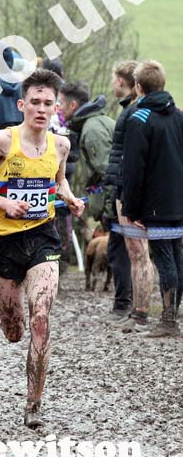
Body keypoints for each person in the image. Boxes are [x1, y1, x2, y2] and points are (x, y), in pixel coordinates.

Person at [0, 69, 84, 428]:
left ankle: (34, 405)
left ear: (56, 108)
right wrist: (2, 203)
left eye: (48, 104)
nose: (41, 110)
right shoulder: (2, 141)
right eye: (35, 103)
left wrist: (72, 199)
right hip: (2, 240)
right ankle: (2, 307)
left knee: (41, 318)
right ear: (22, 105)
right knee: (15, 332)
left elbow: (57, 183)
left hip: (42, 236)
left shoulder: (61, 144)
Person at [120, 60, 183, 338]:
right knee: (177, 257)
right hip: (178, 200)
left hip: (156, 204)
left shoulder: (139, 118)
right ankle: (173, 316)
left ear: (138, 87)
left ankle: (168, 321)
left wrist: (132, 209)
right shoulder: (179, 116)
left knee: (165, 259)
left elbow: (134, 169)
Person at [102, 61, 139, 321]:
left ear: (122, 82)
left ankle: (123, 304)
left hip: (125, 191)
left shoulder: (130, 113)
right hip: (128, 188)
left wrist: (115, 195)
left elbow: (122, 158)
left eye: (115, 78)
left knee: (121, 249)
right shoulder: (132, 109)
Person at [59, 82, 114, 228]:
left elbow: (108, 174)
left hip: (115, 213)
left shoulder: (92, 130)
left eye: (61, 103)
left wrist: (109, 214)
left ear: (73, 105)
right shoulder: (92, 123)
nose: (58, 107)